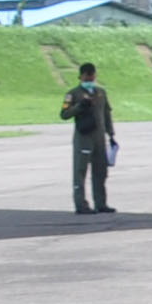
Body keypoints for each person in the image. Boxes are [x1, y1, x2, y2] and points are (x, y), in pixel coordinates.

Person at [59, 58, 118, 214]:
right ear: (80, 76)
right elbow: (64, 114)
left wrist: (111, 133)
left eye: (92, 76)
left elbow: (107, 114)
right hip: (83, 137)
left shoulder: (101, 93)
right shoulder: (72, 94)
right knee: (80, 171)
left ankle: (101, 203)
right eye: (87, 77)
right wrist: (79, 106)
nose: (90, 79)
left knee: (101, 172)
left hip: (99, 138)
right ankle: (81, 204)